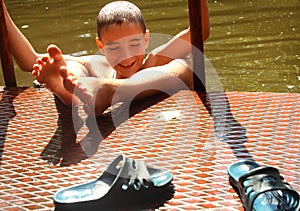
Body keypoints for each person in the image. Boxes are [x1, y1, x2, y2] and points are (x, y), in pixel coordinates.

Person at [3, 0, 210, 115]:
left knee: (182, 66)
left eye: (134, 44)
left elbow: (201, 32)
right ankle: (62, 89)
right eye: (114, 47)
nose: (126, 55)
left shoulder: (154, 59)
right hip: (89, 88)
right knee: (72, 67)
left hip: (116, 86)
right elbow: (28, 61)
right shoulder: (97, 65)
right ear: (100, 46)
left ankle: (104, 91)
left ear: (146, 39)